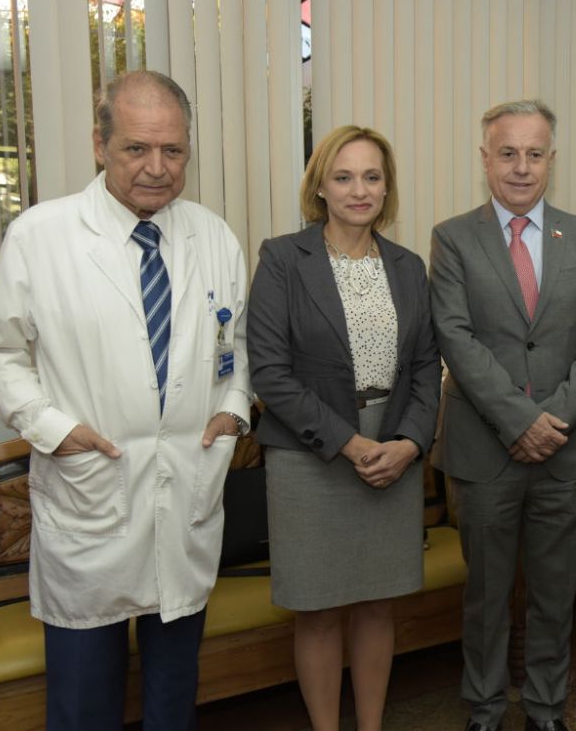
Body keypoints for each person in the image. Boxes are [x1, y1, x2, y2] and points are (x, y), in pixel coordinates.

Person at [0, 70, 251, 730]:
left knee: (172, 695)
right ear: (100, 145)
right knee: (84, 701)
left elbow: (237, 342)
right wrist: (51, 427)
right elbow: (0, 352)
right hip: (91, 492)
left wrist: (234, 406)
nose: (158, 168)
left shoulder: (213, 236)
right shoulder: (41, 237)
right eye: (137, 148)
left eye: (174, 150)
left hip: (185, 487)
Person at [429, 99, 576, 731]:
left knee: (555, 595)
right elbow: (455, 337)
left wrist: (552, 421)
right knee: (485, 596)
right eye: (507, 153)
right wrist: (519, 421)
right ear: (485, 158)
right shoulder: (453, 238)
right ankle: (484, 709)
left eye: (534, 154)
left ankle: (545, 708)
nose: (521, 167)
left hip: (565, 450)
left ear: (551, 160)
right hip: (486, 451)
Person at [247, 125, 441, 731]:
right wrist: (351, 443)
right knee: (320, 609)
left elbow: (427, 367)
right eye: (344, 176)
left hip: (393, 452)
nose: (360, 190)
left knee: (379, 603)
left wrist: (408, 443)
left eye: (372, 177)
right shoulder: (283, 258)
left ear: (387, 188)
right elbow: (271, 375)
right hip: (314, 456)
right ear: (321, 187)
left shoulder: (408, 267)